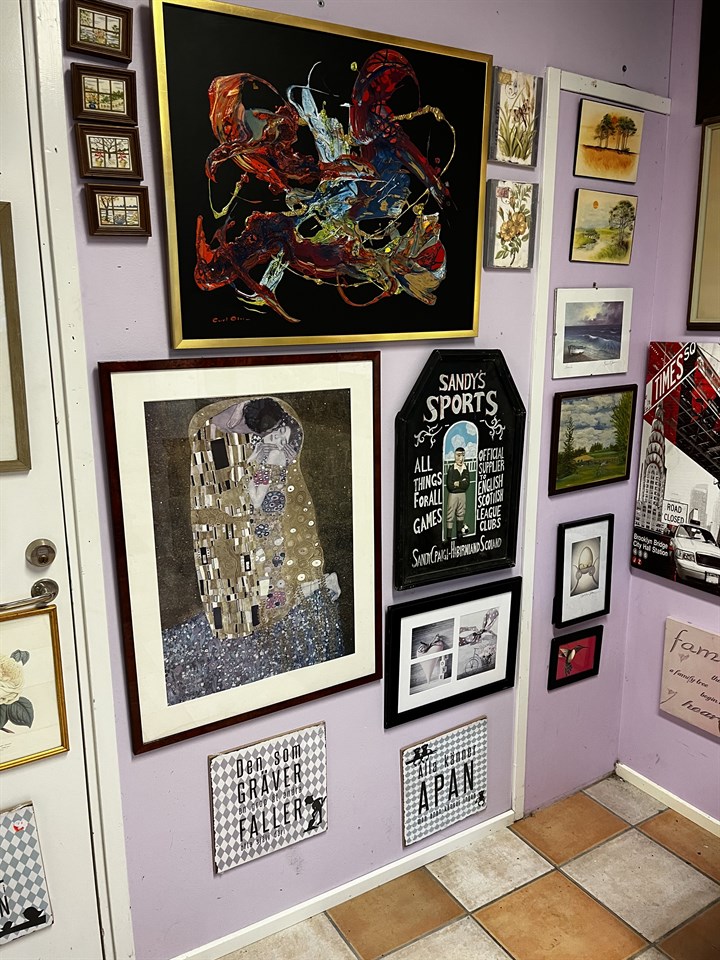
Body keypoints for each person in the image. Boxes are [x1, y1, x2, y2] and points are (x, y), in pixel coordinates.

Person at [446, 446, 470, 539]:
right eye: (459, 455)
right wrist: (461, 483)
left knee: (461, 512)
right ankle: (449, 536)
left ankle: (459, 533)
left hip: (462, 495)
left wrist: (458, 483)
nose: (461, 458)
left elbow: (466, 484)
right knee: (450, 514)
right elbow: (450, 485)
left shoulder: (465, 468)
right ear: (455, 456)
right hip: (453, 495)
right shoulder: (452, 469)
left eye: (463, 455)